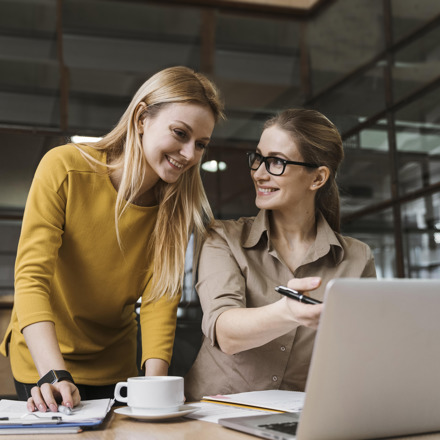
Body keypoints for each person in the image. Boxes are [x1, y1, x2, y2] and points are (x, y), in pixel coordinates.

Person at [0, 66, 225, 412]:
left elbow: (159, 301)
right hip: (44, 362)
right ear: (140, 119)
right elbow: (31, 278)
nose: (190, 153)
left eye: (201, 145)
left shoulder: (176, 210)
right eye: (180, 133)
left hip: (115, 368)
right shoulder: (65, 169)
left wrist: (154, 386)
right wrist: (52, 373)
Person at [184, 108, 376, 401]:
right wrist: (287, 312)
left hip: (298, 418)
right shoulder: (222, 238)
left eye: (276, 162)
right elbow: (225, 331)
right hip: (216, 414)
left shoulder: (358, 258)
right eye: (258, 158)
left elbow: (360, 352)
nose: (259, 173)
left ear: (317, 178)